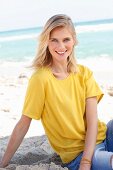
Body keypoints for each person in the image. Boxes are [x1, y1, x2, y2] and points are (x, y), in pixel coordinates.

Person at [0, 14, 113, 170]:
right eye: (54, 40)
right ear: (46, 42)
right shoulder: (41, 79)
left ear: (74, 40)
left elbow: (93, 121)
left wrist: (87, 162)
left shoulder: (84, 73)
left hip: (105, 136)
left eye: (66, 39)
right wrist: (3, 163)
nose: (61, 46)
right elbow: (23, 124)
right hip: (78, 155)